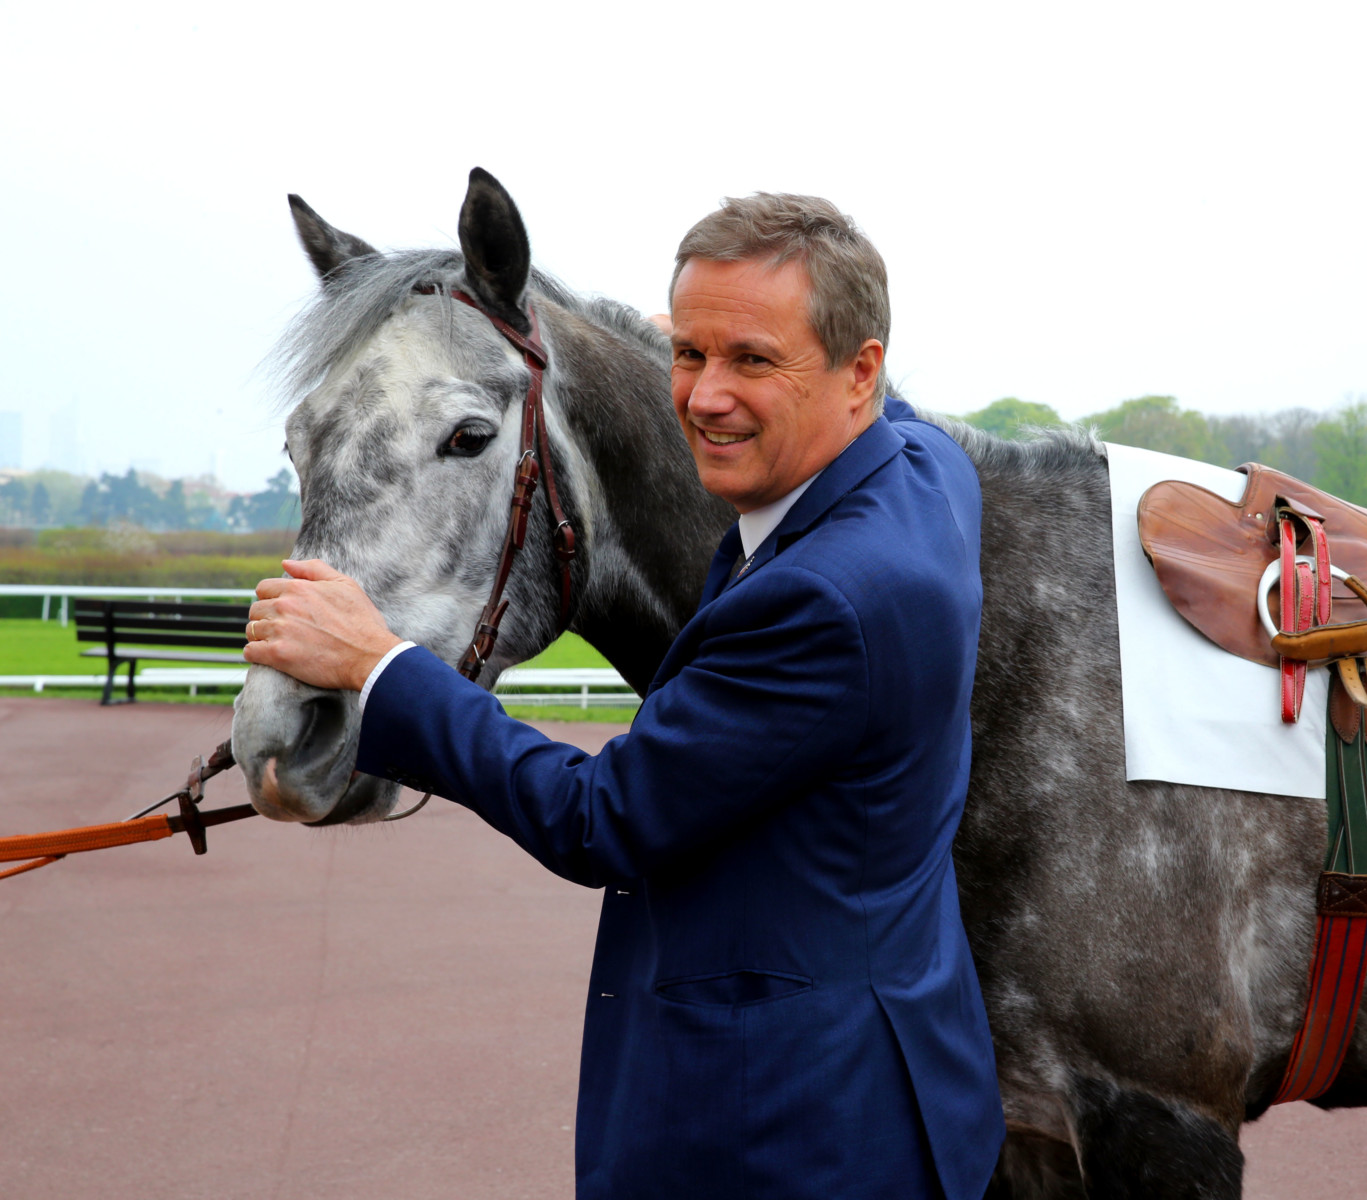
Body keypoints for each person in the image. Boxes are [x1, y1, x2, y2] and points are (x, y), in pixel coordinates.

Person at [242, 194, 1006, 1199]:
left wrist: (380, 668)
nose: (702, 395)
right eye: (691, 355)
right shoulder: (925, 474)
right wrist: (690, 353)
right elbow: (895, 422)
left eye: (752, 361)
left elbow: (601, 820)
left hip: (791, 1137)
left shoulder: (825, 598)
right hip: (889, 1085)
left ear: (857, 373)